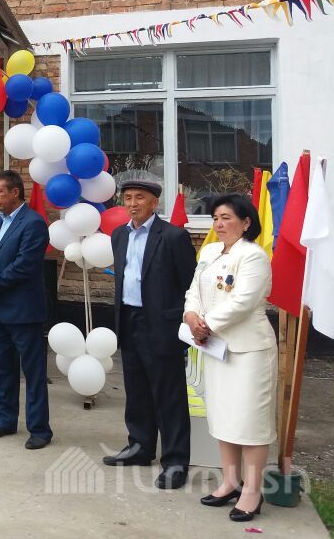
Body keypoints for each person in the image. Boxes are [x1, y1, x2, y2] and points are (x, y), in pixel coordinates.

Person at [184, 194, 276, 522]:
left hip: (248, 350)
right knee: (223, 415)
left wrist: (206, 324)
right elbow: (194, 291)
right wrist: (191, 316)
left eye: (226, 218)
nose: (219, 224)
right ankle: (229, 481)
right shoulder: (209, 251)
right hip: (215, 347)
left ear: (246, 222)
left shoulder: (254, 256)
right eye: (215, 218)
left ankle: (252, 490)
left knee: (249, 420)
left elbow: (244, 301)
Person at [104, 180, 196, 490]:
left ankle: (175, 461)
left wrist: (181, 321)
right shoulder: (119, 235)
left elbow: (189, 284)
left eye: (139, 198)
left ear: (154, 203)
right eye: (128, 198)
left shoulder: (173, 237)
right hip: (128, 319)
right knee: (136, 389)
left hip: (161, 324)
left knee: (168, 395)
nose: (132, 204)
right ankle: (140, 446)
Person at [0, 171, 52, 449]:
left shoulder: (33, 223)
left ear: (15, 192)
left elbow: (25, 264)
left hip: (23, 311)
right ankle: (5, 420)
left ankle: (39, 429)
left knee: (33, 373)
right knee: (3, 369)